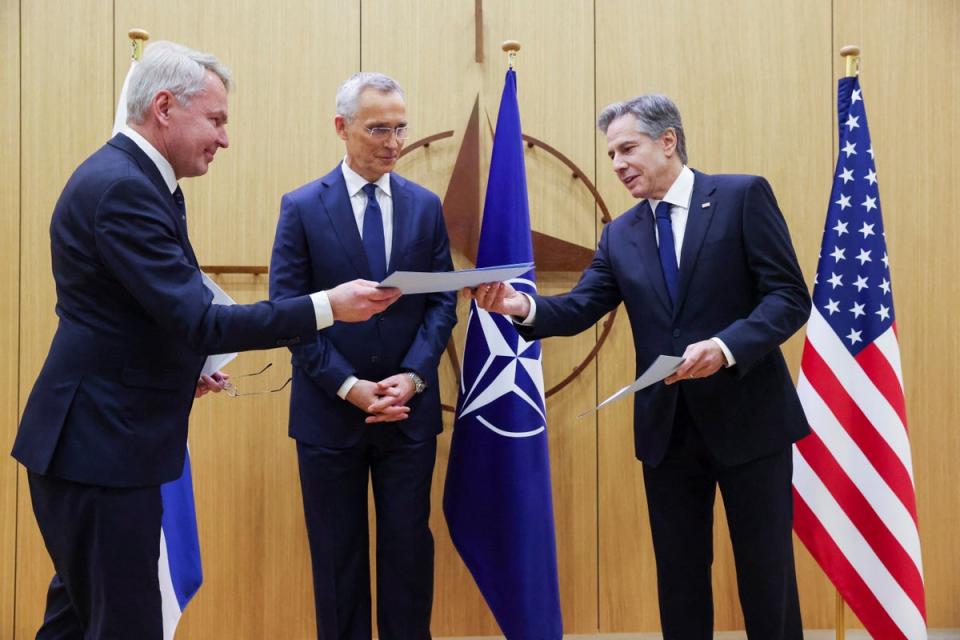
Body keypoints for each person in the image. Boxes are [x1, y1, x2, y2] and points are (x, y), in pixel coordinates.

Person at [11, 41, 400, 639]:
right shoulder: (124, 189)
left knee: (76, 623)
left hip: (101, 442)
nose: (224, 139)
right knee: (123, 626)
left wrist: (182, 366)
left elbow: (141, 316)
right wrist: (327, 306)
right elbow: (199, 319)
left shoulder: (140, 180)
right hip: (100, 448)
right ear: (164, 106)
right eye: (216, 120)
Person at [471, 94, 811, 639]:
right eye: (611, 154)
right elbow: (582, 307)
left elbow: (789, 298)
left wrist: (723, 347)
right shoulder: (620, 233)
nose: (617, 165)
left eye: (627, 148)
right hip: (667, 431)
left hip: (751, 421)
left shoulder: (741, 196)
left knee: (766, 575)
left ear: (668, 141)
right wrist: (520, 305)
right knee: (678, 578)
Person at [269, 72, 456, 639]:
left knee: (408, 556)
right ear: (341, 128)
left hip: (408, 412)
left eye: (401, 129)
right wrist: (348, 386)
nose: (393, 142)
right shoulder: (301, 206)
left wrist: (415, 377)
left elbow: (442, 301)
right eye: (379, 128)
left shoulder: (425, 206)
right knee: (336, 560)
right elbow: (288, 310)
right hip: (330, 415)